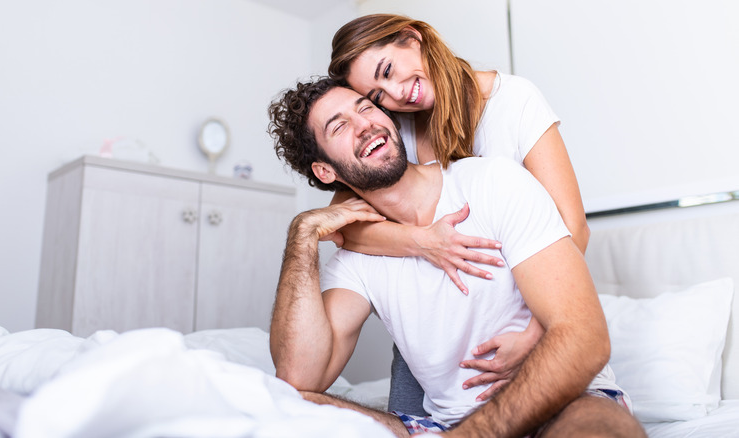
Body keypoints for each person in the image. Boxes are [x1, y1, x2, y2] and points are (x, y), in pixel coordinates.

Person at [266, 78, 645, 437]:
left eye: (365, 107)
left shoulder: (492, 182)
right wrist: (302, 237)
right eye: (339, 126)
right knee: (294, 407)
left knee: (599, 429)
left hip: (565, 406)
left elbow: (586, 338)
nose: (364, 125)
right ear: (324, 171)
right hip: (449, 427)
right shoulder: (357, 256)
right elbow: (299, 379)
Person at [327, 14, 592, 414]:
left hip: (524, 322)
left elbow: (573, 228)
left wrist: (536, 333)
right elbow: (342, 225)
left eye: (388, 70)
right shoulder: (395, 131)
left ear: (411, 38)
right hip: (433, 348)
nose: (397, 94)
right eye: (377, 96)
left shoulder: (513, 100)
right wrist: (423, 242)